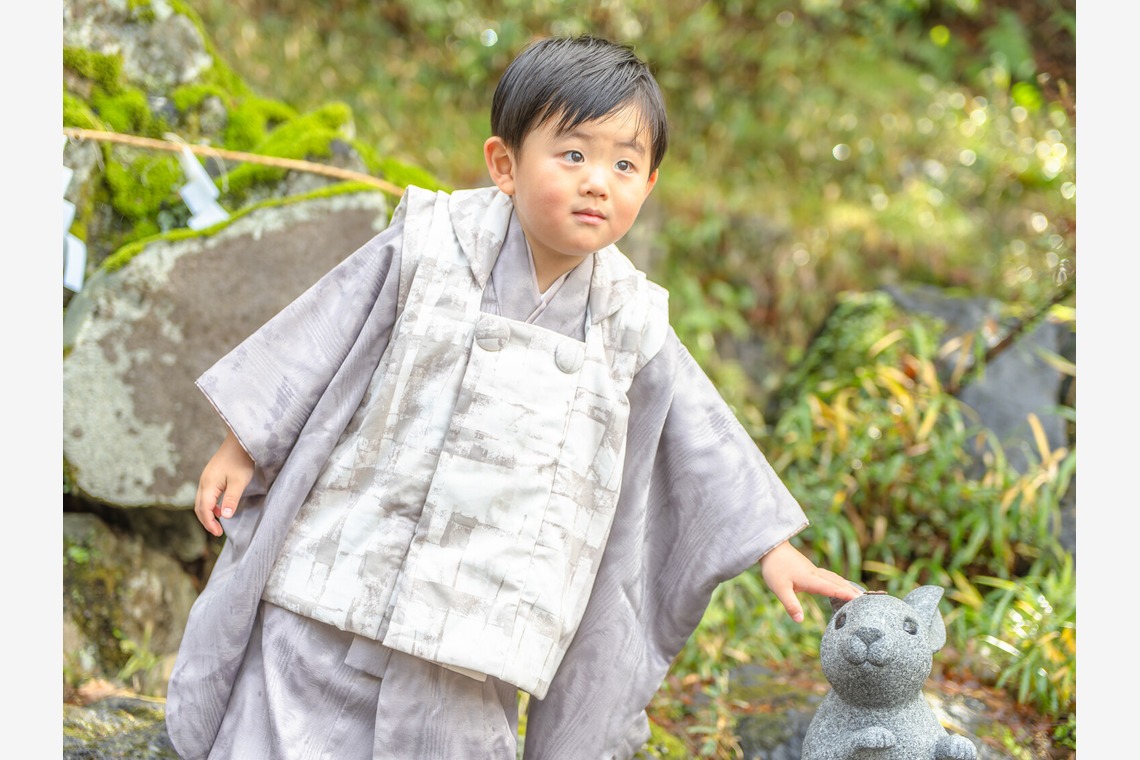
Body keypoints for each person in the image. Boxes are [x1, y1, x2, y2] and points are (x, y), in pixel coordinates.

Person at [165, 34, 860, 760]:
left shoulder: (631, 319)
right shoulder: (430, 243)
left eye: (625, 165)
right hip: (349, 563)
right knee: (282, 728)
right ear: (505, 164)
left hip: (484, 617)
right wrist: (244, 442)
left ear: (649, 184)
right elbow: (322, 332)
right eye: (574, 154)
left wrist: (769, 547)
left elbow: (701, 436)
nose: (599, 182)